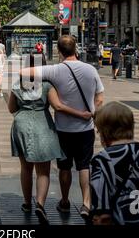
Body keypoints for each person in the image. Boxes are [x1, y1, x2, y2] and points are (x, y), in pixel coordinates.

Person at [20, 35, 104, 220]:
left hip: (63, 129)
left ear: (59, 51)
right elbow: (99, 98)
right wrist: (93, 113)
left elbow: (25, 72)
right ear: (76, 49)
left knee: (64, 167)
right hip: (86, 128)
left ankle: (65, 201)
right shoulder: (91, 69)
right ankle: (86, 204)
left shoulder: (55, 70)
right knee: (84, 166)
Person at [8, 53, 92, 224]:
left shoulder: (18, 84)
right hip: (42, 125)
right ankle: (40, 203)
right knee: (43, 170)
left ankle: (26, 203)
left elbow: (11, 108)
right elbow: (58, 106)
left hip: (21, 124)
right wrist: (82, 114)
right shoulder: (46, 85)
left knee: (25, 168)